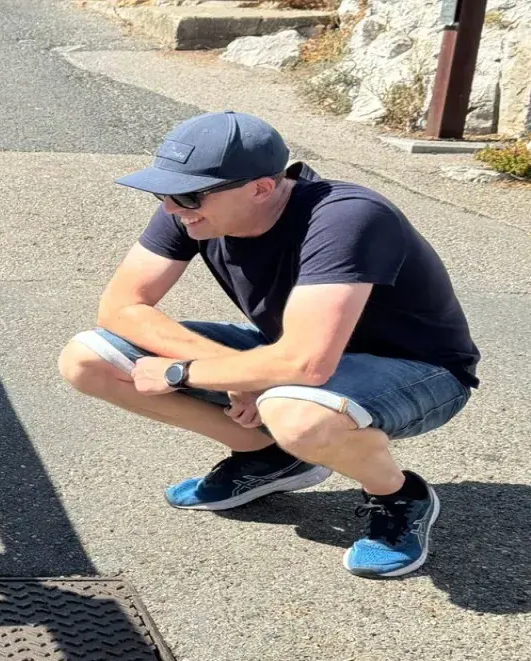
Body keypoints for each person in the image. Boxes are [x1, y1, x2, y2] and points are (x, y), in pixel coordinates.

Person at [58, 110, 480, 579]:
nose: (173, 207)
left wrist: (184, 371)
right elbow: (121, 307)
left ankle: (398, 495)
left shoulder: (348, 217)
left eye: (187, 193)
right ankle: (272, 457)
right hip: (296, 354)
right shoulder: (189, 211)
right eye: (163, 191)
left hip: (418, 369)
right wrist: (235, 372)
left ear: (260, 188)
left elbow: (307, 363)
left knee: (297, 410)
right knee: (89, 358)